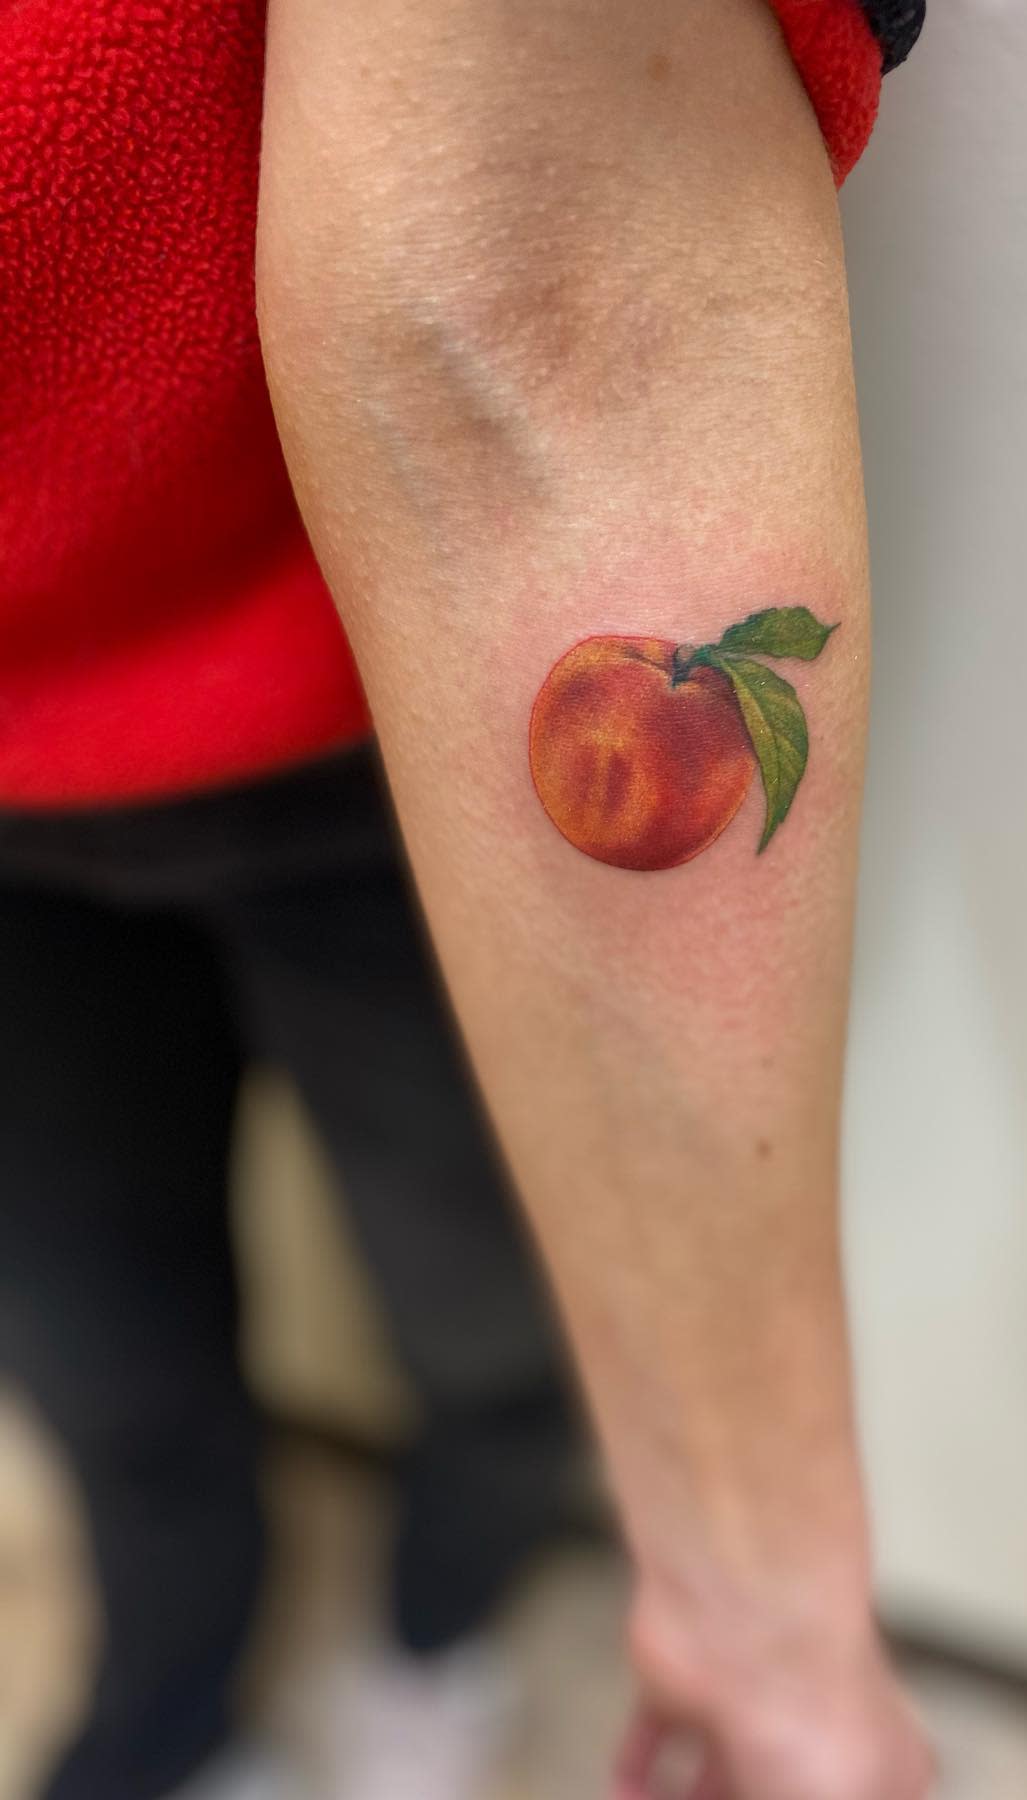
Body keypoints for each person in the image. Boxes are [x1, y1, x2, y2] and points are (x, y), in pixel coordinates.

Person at [0, 2, 932, 1798]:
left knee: (488, 1344)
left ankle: (438, 1629)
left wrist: (762, 1602)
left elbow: (554, 320)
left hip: (368, 737)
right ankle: (170, 1697)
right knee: (99, 1370)